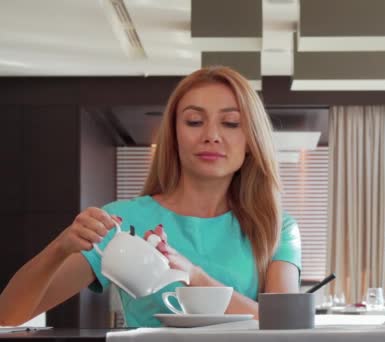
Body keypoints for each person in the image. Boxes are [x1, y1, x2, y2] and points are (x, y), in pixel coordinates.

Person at [0, 66, 302, 327]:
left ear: (251, 140)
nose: (211, 135)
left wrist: (194, 276)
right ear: (174, 134)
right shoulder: (123, 220)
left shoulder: (276, 228)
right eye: (194, 121)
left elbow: (286, 327)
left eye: (231, 123)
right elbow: (8, 316)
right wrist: (59, 247)